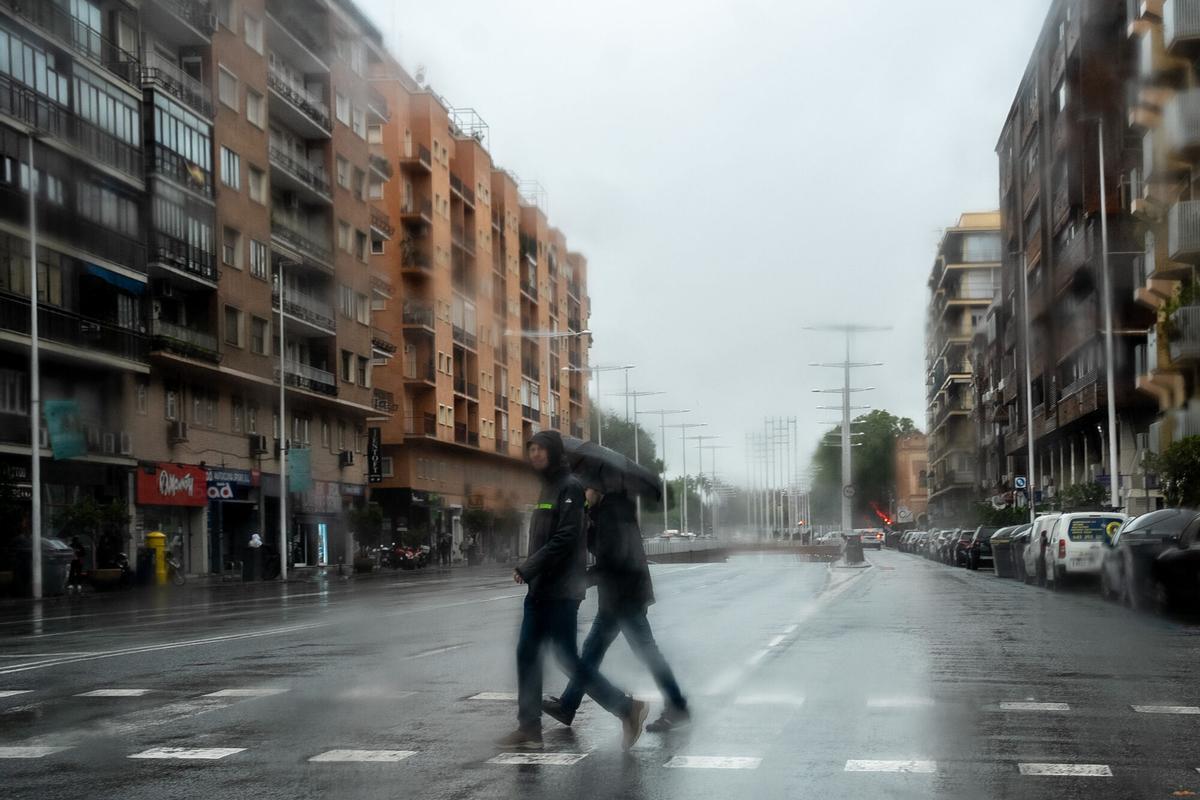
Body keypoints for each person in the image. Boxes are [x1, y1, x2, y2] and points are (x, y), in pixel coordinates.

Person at [496, 430, 648, 752]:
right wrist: (534, 571)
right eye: (531, 449)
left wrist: (529, 566)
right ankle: (529, 728)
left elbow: (565, 537)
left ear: (553, 452)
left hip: (562, 590)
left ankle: (627, 709)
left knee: (568, 659)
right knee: (526, 653)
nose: (534, 454)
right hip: (541, 589)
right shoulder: (549, 487)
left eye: (540, 449)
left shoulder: (571, 488)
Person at [542, 473, 690, 734]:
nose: (584, 493)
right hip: (617, 598)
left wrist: (580, 580)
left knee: (646, 654)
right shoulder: (608, 511)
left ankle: (677, 706)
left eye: (587, 488)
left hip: (626, 598)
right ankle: (567, 705)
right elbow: (604, 552)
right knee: (591, 652)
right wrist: (589, 525)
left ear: (598, 488)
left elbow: (613, 561)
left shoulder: (612, 514)